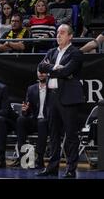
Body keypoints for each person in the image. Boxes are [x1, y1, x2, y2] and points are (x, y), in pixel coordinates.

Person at [37, 24, 84, 178]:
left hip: (68, 98)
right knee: (54, 134)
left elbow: (66, 71)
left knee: (70, 135)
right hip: (52, 97)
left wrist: (53, 69)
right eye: (57, 33)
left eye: (62, 33)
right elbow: (40, 66)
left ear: (70, 36)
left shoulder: (75, 53)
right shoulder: (51, 51)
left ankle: (70, 169)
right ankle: (52, 167)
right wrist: (56, 67)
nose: (58, 35)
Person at [11, 71, 49, 169]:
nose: (41, 73)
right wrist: (25, 110)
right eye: (39, 71)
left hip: (48, 121)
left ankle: (39, 159)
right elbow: (26, 111)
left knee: (42, 122)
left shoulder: (53, 87)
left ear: (48, 73)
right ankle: (23, 158)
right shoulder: (32, 88)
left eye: (43, 71)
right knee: (21, 120)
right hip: (35, 120)